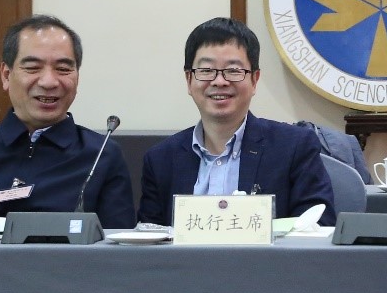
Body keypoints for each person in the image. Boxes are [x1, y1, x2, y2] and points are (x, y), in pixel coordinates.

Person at [0, 14, 136, 229]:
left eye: (63, 69)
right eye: (32, 67)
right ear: (6, 75)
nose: (49, 82)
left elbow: (117, 244)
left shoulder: (101, 155)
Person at [138, 17, 336, 225]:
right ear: (189, 80)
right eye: (206, 70)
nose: (219, 81)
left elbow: (317, 228)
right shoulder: (161, 160)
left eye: (233, 71)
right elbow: (150, 237)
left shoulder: (294, 147)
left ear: (254, 80)